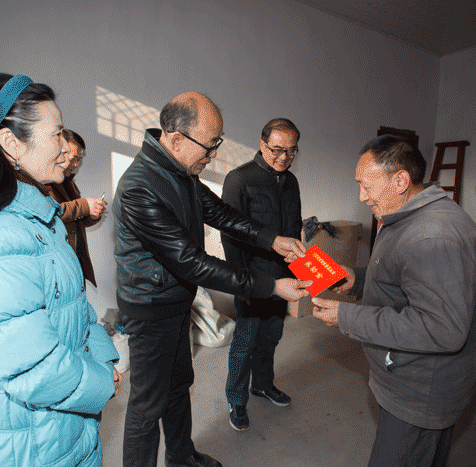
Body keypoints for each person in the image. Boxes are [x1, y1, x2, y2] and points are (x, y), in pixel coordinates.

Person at [0, 73, 121, 467]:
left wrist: (105, 358)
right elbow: (34, 367)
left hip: (61, 425)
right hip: (31, 441)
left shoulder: (39, 217)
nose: (67, 148)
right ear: (12, 144)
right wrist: (100, 381)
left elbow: (75, 305)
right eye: (58, 134)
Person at [112, 92, 312, 467]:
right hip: (151, 308)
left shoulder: (181, 173)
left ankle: (181, 456)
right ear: (176, 139)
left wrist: (272, 239)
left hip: (176, 301)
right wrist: (271, 285)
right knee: (147, 405)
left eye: (217, 143)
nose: (214, 154)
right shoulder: (140, 187)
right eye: (210, 145)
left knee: (178, 386)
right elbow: (193, 263)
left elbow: (222, 214)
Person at [312, 135, 476, 467]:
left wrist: (348, 317)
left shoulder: (433, 237)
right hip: (409, 377)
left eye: (366, 186)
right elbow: (406, 277)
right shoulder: (407, 214)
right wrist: (358, 278)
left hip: (421, 393)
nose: (361, 196)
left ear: (400, 181)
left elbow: (442, 328)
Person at [221, 118, 302, 432]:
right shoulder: (240, 179)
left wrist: (299, 268)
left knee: (271, 337)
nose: (284, 157)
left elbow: (293, 228)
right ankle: (236, 400)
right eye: (277, 149)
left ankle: (263, 385)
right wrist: (240, 283)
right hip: (252, 277)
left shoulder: (291, 182)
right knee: (245, 341)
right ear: (262, 144)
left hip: (283, 277)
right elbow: (230, 235)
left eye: (291, 151)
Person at [47, 129, 106, 287]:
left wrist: (92, 215)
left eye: (78, 159)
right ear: (60, 152)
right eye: (72, 158)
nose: (75, 165)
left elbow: (77, 220)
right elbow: (51, 213)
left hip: (76, 260)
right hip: (59, 265)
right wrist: (85, 205)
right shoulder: (44, 181)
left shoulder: (69, 182)